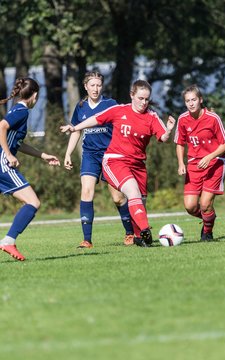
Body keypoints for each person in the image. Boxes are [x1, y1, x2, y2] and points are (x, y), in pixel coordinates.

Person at [61, 79, 175, 247]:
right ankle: (144, 230)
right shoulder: (119, 110)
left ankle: (138, 236)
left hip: (138, 165)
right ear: (132, 95)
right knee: (132, 192)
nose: (144, 102)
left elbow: (163, 138)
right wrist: (75, 128)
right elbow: (96, 119)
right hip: (115, 160)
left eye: (146, 99)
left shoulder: (151, 116)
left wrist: (169, 130)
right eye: (140, 98)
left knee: (138, 202)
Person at [63, 71, 134, 249]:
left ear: (102, 86)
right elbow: (76, 130)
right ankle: (87, 240)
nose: (95, 89)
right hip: (90, 155)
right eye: (92, 85)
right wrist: (68, 154)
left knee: (118, 198)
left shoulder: (110, 104)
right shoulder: (80, 107)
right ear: (85, 86)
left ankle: (130, 233)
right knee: (86, 192)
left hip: (111, 155)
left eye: (98, 85)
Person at [0, 77, 60, 261]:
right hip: (3, 164)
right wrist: (9, 155)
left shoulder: (16, 109)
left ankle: (8, 241)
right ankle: (8, 242)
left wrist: (43, 155)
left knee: (32, 203)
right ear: (34, 96)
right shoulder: (22, 112)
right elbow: (1, 126)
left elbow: (18, 143)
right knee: (33, 202)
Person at [174, 84, 225, 241]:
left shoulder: (213, 118)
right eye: (187, 101)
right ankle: (209, 217)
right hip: (194, 166)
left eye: (193, 100)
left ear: (200, 100)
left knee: (205, 203)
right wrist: (180, 163)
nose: (191, 103)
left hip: (215, 163)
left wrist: (210, 156)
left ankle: (207, 231)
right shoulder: (183, 119)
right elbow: (179, 143)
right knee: (190, 207)